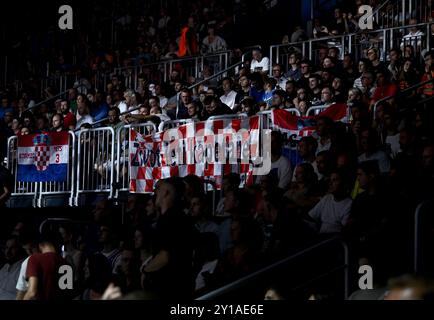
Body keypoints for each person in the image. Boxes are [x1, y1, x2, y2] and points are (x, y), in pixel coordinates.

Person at [142, 177, 198, 299]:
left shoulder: (170, 220)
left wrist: (146, 271)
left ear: (166, 192)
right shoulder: (180, 218)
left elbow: (165, 256)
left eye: (159, 189)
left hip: (170, 290)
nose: (156, 193)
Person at [24, 231, 69, 300]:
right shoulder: (67, 264)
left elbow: (32, 293)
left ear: (40, 245)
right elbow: (67, 294)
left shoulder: (35, 258)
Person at [307, 168, 353, 234]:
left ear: (344, 183)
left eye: (335, 180)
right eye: (330, 180)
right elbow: (311, 217)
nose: (330, 183)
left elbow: (344, 232)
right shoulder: (327, 198)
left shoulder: (349, 204)